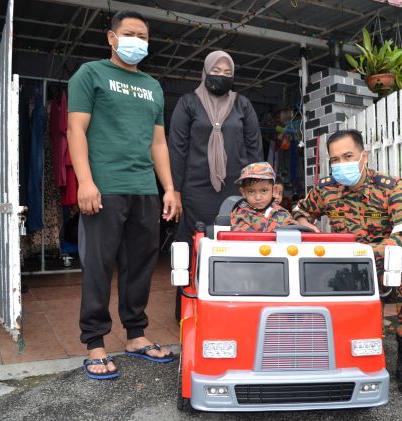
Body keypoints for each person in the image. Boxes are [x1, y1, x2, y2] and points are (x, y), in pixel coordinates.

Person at [67, 10, 179, 380]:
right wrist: (85, 181)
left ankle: (135, 334)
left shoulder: (153, 86)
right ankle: (95, 342)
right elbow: (75, 129)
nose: (137, 41)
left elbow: (158, 142)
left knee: (141, 265)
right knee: (99, 265)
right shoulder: (90, 74)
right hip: (105, 187)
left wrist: (169, 188)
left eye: (143, 36)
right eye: (130, 33)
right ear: (111, 37)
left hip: (144, 189)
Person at [293, 129, 402, 394]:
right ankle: (317, 350)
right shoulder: (326, 189)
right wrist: (303, 223)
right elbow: (300, 210)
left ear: (363, 156)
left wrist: (364, 254)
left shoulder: (392, 187)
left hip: (383, 265)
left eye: (348, 156)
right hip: (343, 269)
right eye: (335, 160)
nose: (341, 164)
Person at [168, 50, 263, 319]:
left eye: (227, 72)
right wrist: (175, 190)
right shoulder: (188, 103)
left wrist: (257, 188)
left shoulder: (242, 104)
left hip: (236, 192)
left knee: (235, 247)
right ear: (206, 71)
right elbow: (177, 148)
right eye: (216, 71)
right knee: (193, 247)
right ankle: (188, 309)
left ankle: (232, 309)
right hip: (195, 189)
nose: (221, 76)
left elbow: (254, 148)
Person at [231, 162, 295, 232]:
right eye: (251, 192)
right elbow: (244, 235)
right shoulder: (240, 214)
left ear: (274, 190)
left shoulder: (282, 213)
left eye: (264, 191)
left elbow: (294, 231)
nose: (258, 197)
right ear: (243, 193)